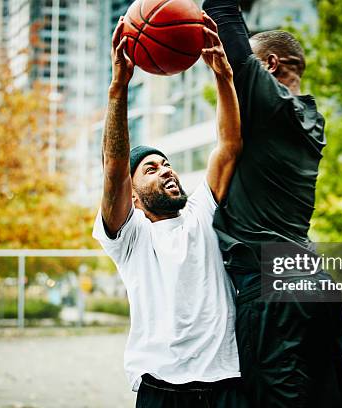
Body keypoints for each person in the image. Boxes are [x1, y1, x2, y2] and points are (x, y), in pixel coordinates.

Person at [201, 2, 342, 407]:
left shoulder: (269, 101)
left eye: (253, 68)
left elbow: (220, 10)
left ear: (270, 65)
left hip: (275, 294)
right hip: (316, 286)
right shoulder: (311, 120)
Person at [92, 15, 248, 407]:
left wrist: (223, 77)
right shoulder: (130, 239)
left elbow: (228, 146)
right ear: (134, 194)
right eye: (151, 168)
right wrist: (119, 89)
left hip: (225, 382)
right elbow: (113, 169)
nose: (166, 170)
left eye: (167, 163)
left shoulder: (200, 212)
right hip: (160, 388)